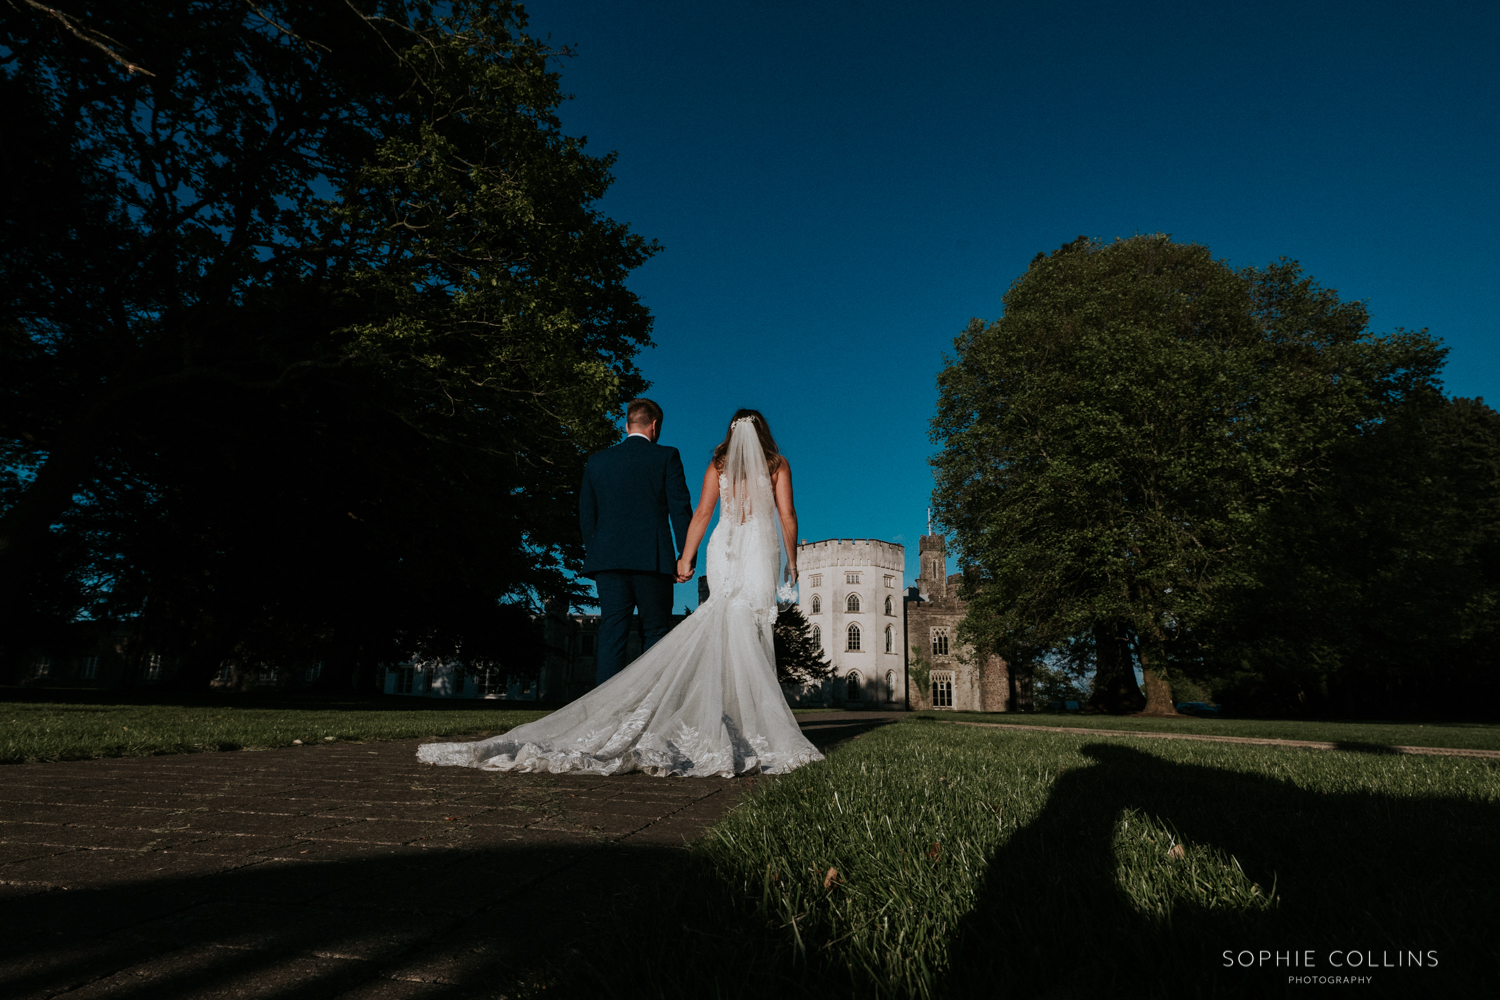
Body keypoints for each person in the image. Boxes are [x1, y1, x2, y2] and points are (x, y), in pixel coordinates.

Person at [417, 408, 824, 777]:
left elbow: (686, 513)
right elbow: (769, 514)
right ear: (654, 425)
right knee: (690, 632)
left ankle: (610, 719)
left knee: (624, 633)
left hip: (648, 555)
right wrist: (782, 560)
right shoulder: (745, 462)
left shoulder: (623, 461)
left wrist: (661, 554)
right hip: (710, 553)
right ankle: (711, 723)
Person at [578, 397, 694, 686]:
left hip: (607, 561)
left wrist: (595, 552)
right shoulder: (666, 456)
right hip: (651, 560)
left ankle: (604, 712)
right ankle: (650, 709)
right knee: (654, 632)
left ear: (626, 424)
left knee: (612, 631)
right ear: (655, 426)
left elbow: (585, 514)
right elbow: (680, 509)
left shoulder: (597, 461)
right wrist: (686, 556)